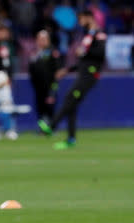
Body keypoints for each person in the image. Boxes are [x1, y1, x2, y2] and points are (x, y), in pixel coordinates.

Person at [38, 10, 106, 150]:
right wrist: (67, 70)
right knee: (72, 104)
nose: (79, 22)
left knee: (69, 98)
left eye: (81, 18)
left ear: (89, 18)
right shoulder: (88, 35)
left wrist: (85, 52)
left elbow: (101, 54)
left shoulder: (98, 34)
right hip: (84, 73)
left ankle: (51, 127)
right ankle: (71, 139)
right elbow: (84, 61)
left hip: (90, 75)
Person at [28, 30, 62, 125]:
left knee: (50, 107)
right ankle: (43, 128)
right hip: (38, 87)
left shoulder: (53, 53)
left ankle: (51, 128)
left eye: (44, 39)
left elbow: (58, 71)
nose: (41, 41)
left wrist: (53, 88)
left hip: (50, 86)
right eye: (40, 39)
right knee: (40, 108)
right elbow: (31, 70)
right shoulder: (34, 54)